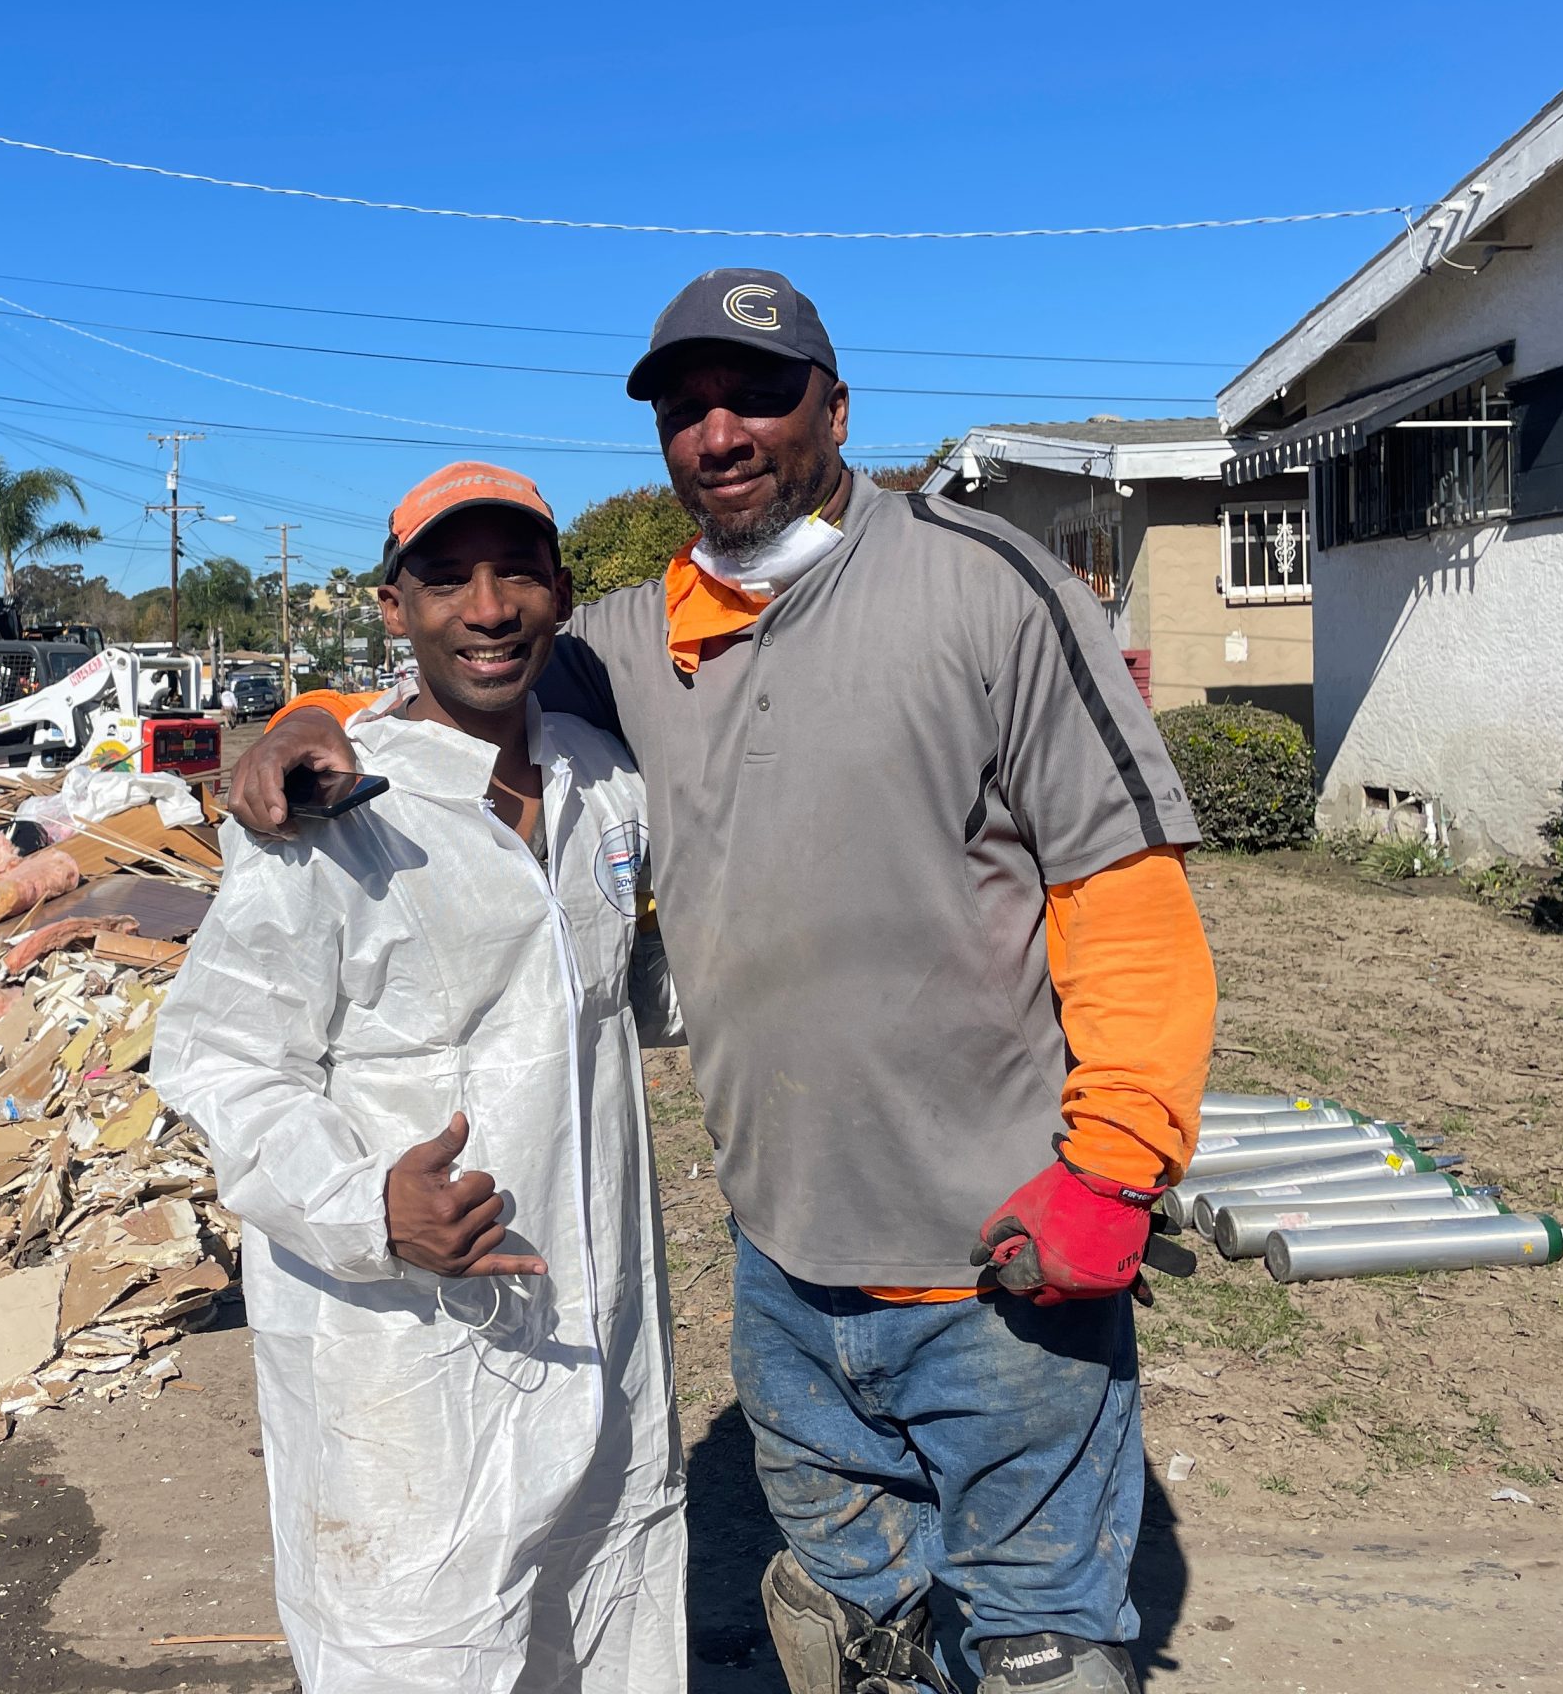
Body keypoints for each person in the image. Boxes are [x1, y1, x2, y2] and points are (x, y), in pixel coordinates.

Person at [234, 271, 1218, 1694]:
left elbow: (1120, 887)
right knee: (853, 1628)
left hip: (999, 1262)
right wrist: (305, 716)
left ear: (836, 407)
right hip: (785, 1272)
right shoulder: (631, 643)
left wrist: (1115, 1165)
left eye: (757, 393)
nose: (719, 433)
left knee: (1039, 1648)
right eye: (684, 408)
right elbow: (458, 679)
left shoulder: (983, 585)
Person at [152, 462, 687, 1694]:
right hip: (401, 1366)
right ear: (394, 608)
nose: (487, 609)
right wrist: (365, 1207)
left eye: (516, 575)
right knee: (422, 1644)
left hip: (597, 1332)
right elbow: (220, 1055)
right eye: (446, 581)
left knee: (608, 1624)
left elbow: (623, 993)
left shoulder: (607, 785)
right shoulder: (334, 813)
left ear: (560, 593)